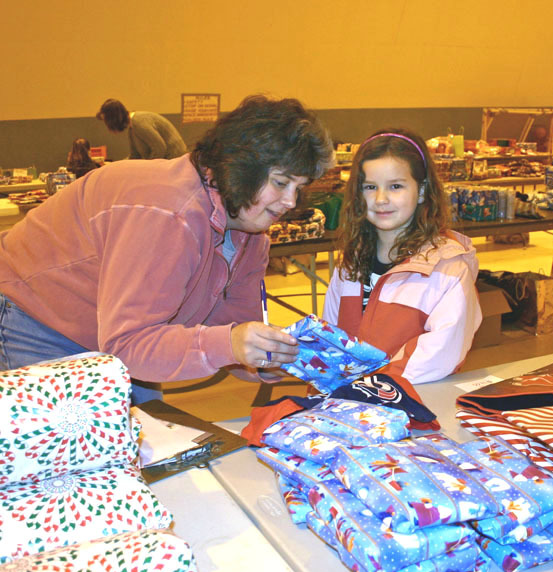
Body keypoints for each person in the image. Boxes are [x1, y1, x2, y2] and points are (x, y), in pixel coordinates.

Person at [0, 95, 333, 403]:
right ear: (244, 167)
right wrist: (230, 344)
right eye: (280, 182)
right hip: (35, 317)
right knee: (64, 452)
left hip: (119, 338)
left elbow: (230, 328)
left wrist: (269, 357)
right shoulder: (170, 214)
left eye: (299, 187)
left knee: (148, 441)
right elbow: (129, 345)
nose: (290, 201)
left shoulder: (252, 234)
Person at [323, 128, 481, 384]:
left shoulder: (447, 269)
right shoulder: (349, 265)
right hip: (349, 405)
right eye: (370, 187)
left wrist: (365, 385)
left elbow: (441, 354)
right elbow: (332, 336)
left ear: (421, 191)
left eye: (395, 186)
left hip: (410, 402)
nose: (381, 199)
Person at [97, 98, 188, 160]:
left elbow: (160, 149)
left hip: (174, 160)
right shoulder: (132, 128)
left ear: (113, 119)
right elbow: (135, 156)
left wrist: (146, 168)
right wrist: (115, 166)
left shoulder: (139, 123)